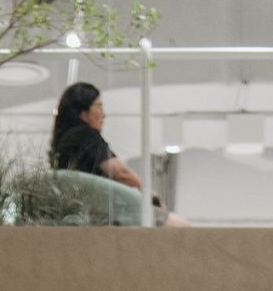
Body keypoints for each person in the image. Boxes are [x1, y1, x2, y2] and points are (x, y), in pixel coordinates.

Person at [49, 82, 188, 222]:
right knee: (180, 224)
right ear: (82, 112)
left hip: (82, 213)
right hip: (101, 213)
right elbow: (120, 172)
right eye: (99, 107)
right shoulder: (86, 135)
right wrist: (150, 195)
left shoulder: (64, 141)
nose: (104, 115)